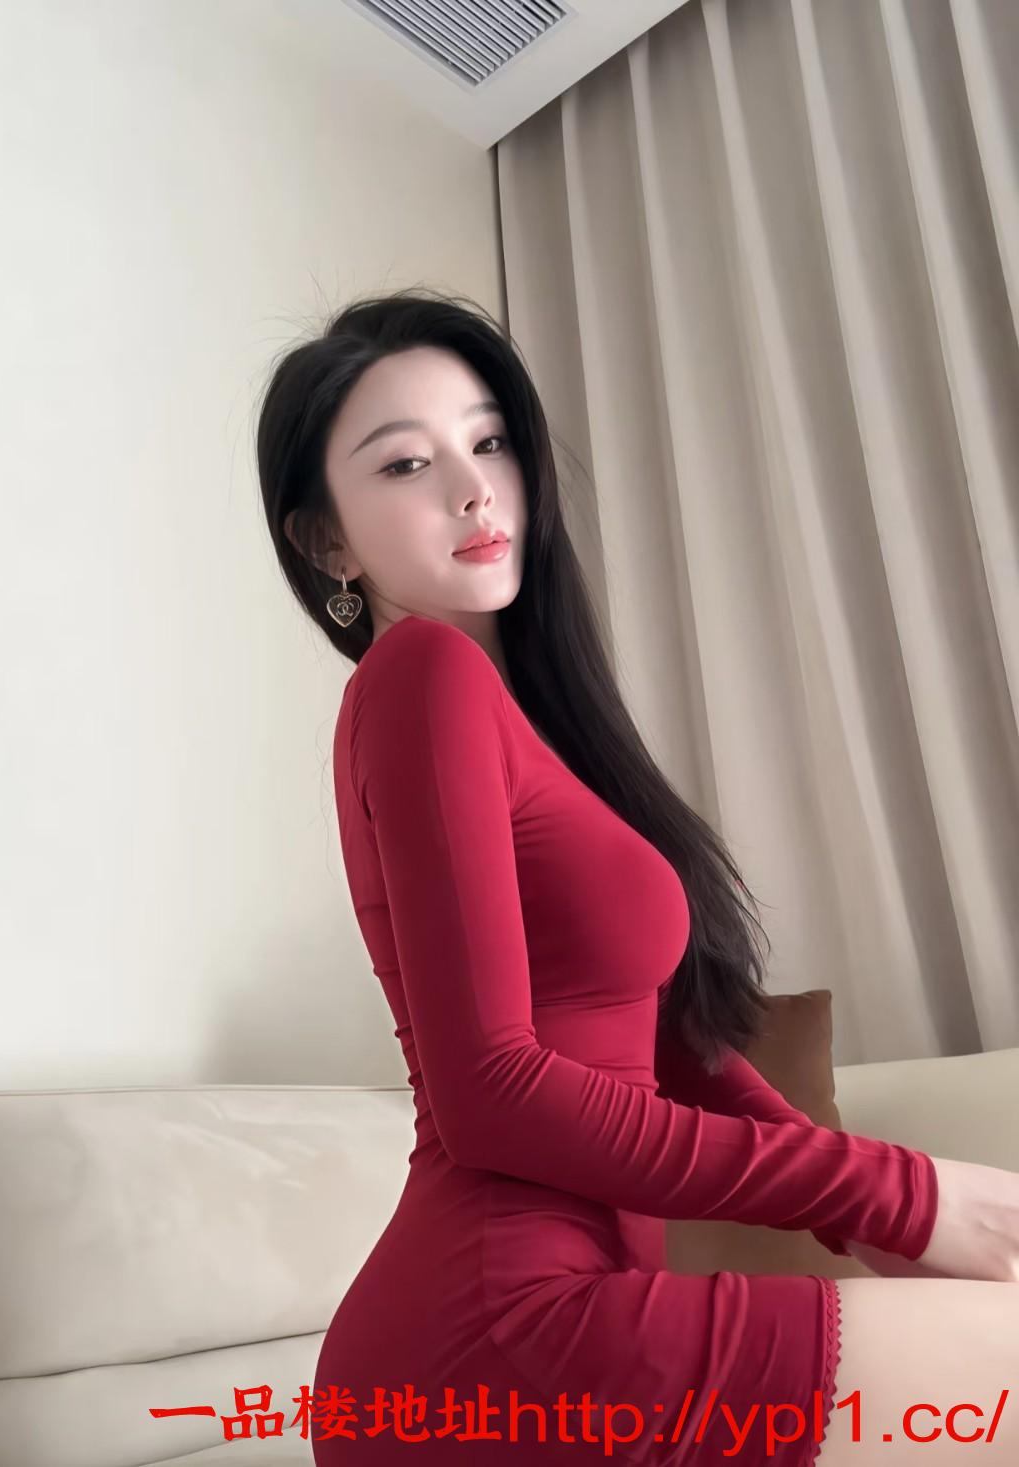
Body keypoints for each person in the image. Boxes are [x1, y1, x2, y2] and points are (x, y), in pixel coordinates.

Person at [255, 287, 1019, 1465]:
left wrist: (872, 1217)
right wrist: (890, 1191)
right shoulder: (418, 678)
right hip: (495, 1333)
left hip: (540, 1316)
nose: (472, 490)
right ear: (327, 542)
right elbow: (490, 1090)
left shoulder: (524, 724)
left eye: (489, 442)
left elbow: (670, 1047)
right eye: (405, 464)